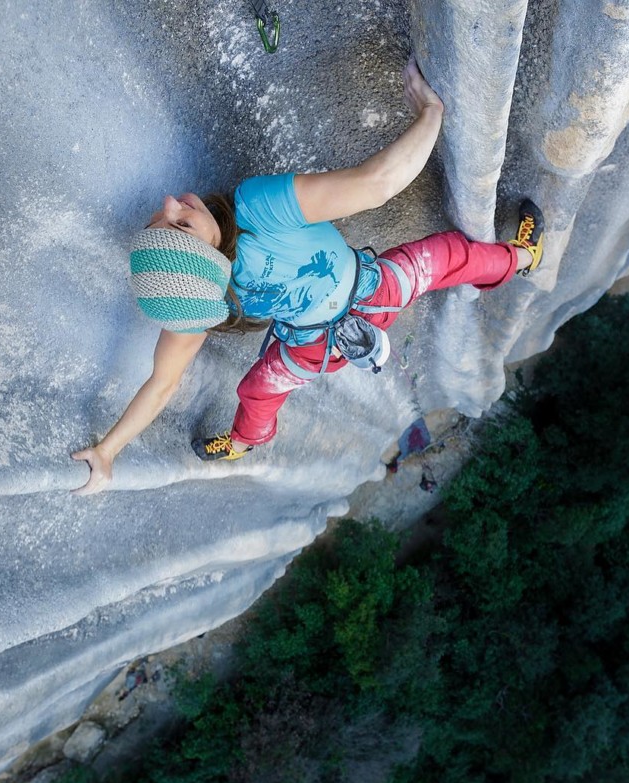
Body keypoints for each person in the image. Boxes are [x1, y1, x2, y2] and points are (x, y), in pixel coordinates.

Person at [71, 56, 544, 495]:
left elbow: (162, 383)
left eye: (163, 217)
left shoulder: (212, 276)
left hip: (317, 339)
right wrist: (431, 114)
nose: (172, 203)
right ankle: (522, 257)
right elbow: (376, 185)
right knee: (445, 259)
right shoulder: (246, 224)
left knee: (260, 390)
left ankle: (242, 443)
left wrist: (110, 450)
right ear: (203, 263)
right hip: (366, 298)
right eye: (180, 223)